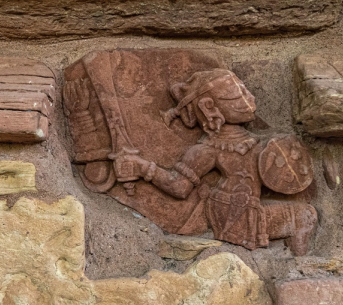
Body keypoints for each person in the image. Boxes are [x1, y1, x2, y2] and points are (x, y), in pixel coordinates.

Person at [113, 69, 317, 255]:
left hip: (246, 204)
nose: (250, 99)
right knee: (304, 216)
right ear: (209, 107)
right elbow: (179, 187)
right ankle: (300, 262)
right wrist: (143, 167)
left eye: (245, 91)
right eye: (237, 95)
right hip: (232, 211)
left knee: (305, 215)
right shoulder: (208, 150)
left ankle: (299, 261)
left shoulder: (254, 141)